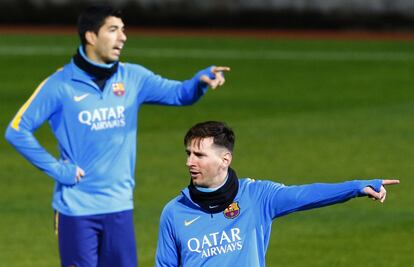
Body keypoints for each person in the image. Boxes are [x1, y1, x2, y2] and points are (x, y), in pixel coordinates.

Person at [4, 5, 230, 267]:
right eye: (113, 30)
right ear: (91, 36)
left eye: (123, 30)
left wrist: (198, 82)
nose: (122, 37)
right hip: (76, 209)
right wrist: (58, 170)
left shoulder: (133, 77)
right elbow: (17, 130)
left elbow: (179, 94)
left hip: (119, 206)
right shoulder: (60, 85)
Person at [155, 121, 400, 267]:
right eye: (188, 153)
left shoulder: (257, 196)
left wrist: (356, 187)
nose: (189, 162)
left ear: (224, 159)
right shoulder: (174, 212)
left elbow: (305, 195)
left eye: (199, 155)